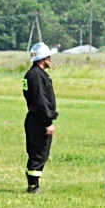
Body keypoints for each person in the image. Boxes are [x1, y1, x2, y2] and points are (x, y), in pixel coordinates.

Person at [23, 42, 58, 194]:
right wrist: (48, 122)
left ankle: (33, 184)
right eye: (48, 57)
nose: (50, 60)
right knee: (38, 153)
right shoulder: (36, 76)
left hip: (35, 118)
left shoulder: (33, 74)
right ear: (43, 58)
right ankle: (33, 186)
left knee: (37, 153)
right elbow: (41, 101)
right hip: (38, 121)